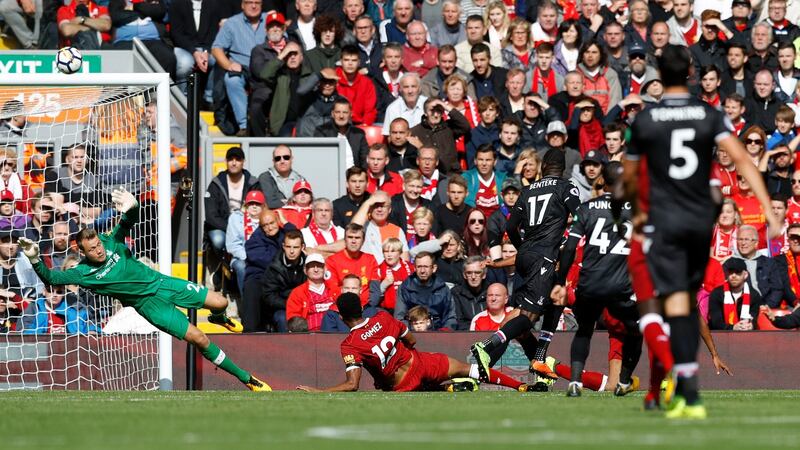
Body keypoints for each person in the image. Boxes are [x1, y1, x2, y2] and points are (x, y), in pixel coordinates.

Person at [622, 45, 780, 418]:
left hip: (663, 220)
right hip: (698, 222)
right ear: (691, 72)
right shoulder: (709, 114)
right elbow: (743, 160)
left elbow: (629, 176)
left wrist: (637, 211)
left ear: (659, 72)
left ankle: (683, 389)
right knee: (685, 301)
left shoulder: (645, 119)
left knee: (669, 304)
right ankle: (689, 395)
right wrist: (771, 214)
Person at [19, 189, 270, 390]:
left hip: (163, 283)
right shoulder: (83, 273)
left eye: (97, 244)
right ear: (82, 253)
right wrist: (34, 258)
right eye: (92, 249)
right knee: (200, 338)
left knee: (221, 303)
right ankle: (248, 379)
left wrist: (134, 204)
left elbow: (127, 221)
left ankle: (218, 317)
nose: (98, 250)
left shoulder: (110, 241)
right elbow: (51, 278)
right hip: (150, 306)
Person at [471, 148, 581, 390]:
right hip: (542, 258)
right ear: (562, 169)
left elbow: (510, 226)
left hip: (525, 257)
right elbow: (580, 216)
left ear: (543, 167)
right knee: (528, 317)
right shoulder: (566, 187)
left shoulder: (529, 189)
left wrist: (522, 250)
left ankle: (539, 360)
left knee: (556, 300)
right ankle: (487, 347)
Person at [296, 292, 533, 392]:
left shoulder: (349, 344)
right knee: (470, 368)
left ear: (341, 317)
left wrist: (318, 391)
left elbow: (353, 384)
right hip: (419, 362)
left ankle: (447, 388)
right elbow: (411, 339)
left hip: (401, 384)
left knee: (423, 390)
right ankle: (521, 386)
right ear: (361, 308)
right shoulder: (383, 317)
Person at [551, 161, 642, 397]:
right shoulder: (637, 209)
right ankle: (624, 381)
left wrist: (560, 282)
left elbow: (569, 248)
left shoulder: (586, 208)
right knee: (635, 331)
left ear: (602, 180)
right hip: (621, 285)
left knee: (584, 330)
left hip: (590, 283)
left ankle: (574, 382)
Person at [210, 0, 266, 135]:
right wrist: (228, 65)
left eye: (257, 3)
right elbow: (216, 48)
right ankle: (244, 125)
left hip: (266, 69)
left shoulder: (270, 21)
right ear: (242, 5)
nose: (253, 6)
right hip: (242, 69)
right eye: (249, 2)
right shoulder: (232, 23)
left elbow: (285, 40)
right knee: (232, 80)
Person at [203, 147, 259, 259]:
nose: (234, 163)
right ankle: (221, 266)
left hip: (247, 224)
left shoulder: (253, 183)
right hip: (223, 226)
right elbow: (211, 216)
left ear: (243, 162)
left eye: (237, 159)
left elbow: (260, 207)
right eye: (230, 159)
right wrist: (232, 228)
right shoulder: (216, 183)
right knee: (218, 240)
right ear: (226, 162)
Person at [394, 251, 455, 330]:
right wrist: (413, 330)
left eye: (426, 266)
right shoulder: (405, 288)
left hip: (439, 334)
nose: (422, 271)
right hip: (413, 333)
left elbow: (451, 317)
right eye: (419, 267)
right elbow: (399, 318)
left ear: (434, 268)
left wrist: (444, 332)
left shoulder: (443, 289)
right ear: (414, 268)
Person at [409, 98, 471, 175]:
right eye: (432, 111)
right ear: (425, 113)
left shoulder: (449, 127)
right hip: (428, 177)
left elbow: (465, 126)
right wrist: (421, 147)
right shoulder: (415, 131)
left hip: (451, 175)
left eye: (439, 111)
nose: (435, 115)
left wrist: (444, 105)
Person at [261, 230, 307, 332]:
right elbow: (268, 296)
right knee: (282, 319)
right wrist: (290, 304)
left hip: (304, 305)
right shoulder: (274, 268)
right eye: (288, 247)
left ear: (302, 247)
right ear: (283, 246)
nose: (291, 251)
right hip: (282, 307)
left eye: (295, 247)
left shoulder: (308, 265)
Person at [707, 257, 764, 330]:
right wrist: (733, 327)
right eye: (731, 272)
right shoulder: (717, 294)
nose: (733, 275)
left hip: (746, 336)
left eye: (738, 272)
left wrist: (751, 325)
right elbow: (716, 322)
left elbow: (754, 318)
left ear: (745, 275)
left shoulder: (754, 295)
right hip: (721, 336)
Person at [225, 190, 266, 290]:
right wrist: (249, 257)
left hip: (263, 257)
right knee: (242, 267)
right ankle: (247, 302)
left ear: (263, 206)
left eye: (258, 204)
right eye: (251, 203)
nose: (254, 206)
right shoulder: (236, 218)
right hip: (242, 257)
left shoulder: (267, 219)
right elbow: (232, 245)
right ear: (246, 206)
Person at [285, 253, 337, 332]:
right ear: (305, 270)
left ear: (325, 269)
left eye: (319, 266)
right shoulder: (297, 293)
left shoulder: (335, 290)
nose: (316, 270)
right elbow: (293, 319)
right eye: (312, 266)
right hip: (308, 336)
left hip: (333, 334)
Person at [257, 145, 306, 209]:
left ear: (291, 159)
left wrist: (284, 202)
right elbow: (270, 203)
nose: (282, 161)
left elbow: (308, 201)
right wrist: (294, 202)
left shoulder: (300, 179)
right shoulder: (265, 178)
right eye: (278, 158)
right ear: (273, 161)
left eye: (286, 157)